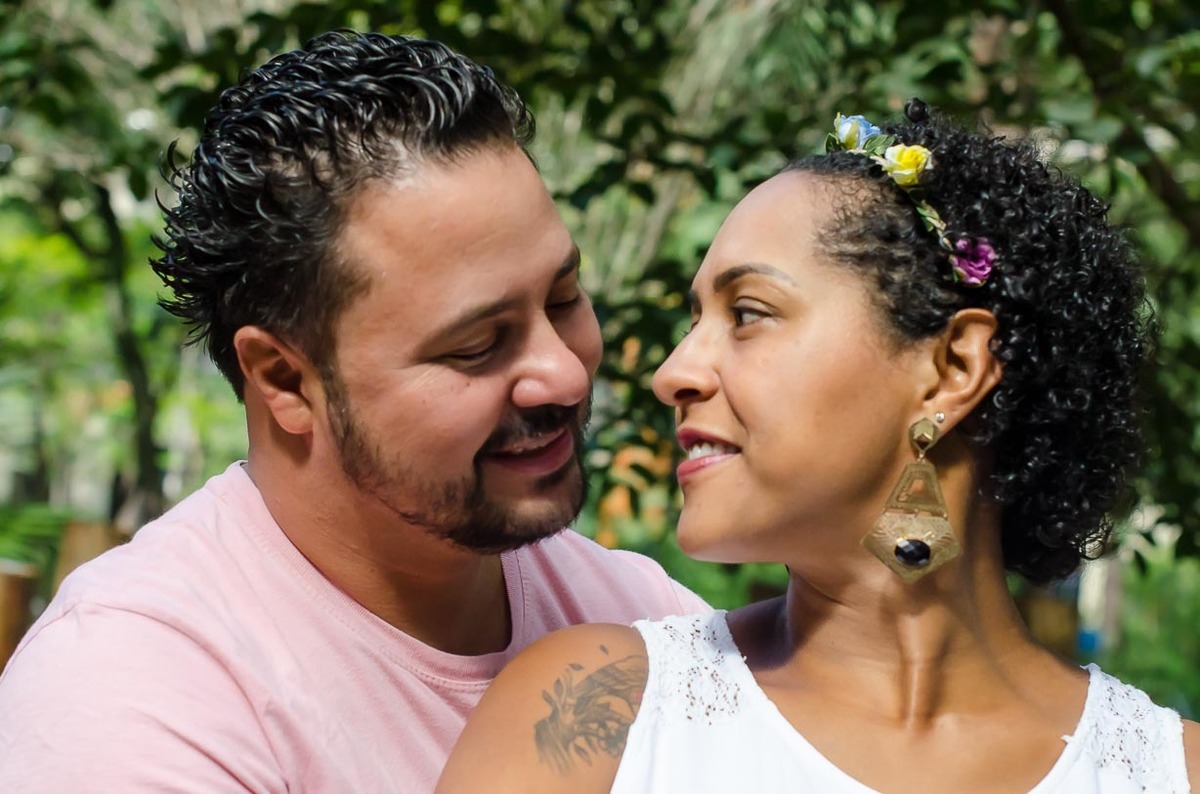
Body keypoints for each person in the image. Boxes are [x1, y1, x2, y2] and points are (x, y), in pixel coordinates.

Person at [0, 30, 707, 791]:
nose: (564, 374)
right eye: (477, 346)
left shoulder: (648, 618)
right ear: (284, 380)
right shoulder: (131, 696)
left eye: (564, 299)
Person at [438, 101, 1200, 793]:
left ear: (952, 368)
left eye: (748, 313)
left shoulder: (1170, 772)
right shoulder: (590, 722)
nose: (674, 374)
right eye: (694, 321)